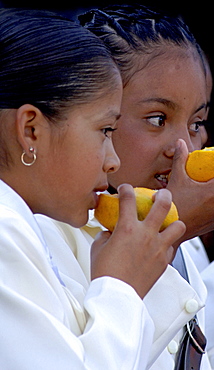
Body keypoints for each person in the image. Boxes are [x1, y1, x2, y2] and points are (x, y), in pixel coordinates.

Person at [34, 5, 214, 369]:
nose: (185, 149)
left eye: (197, 123)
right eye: (158, 119)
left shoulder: (188, 242)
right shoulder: (46, 235)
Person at [0, 9, 189, 369]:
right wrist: (122, 287)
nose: (112, 161)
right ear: (30, 131)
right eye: (104, 131)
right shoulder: (4, 231)